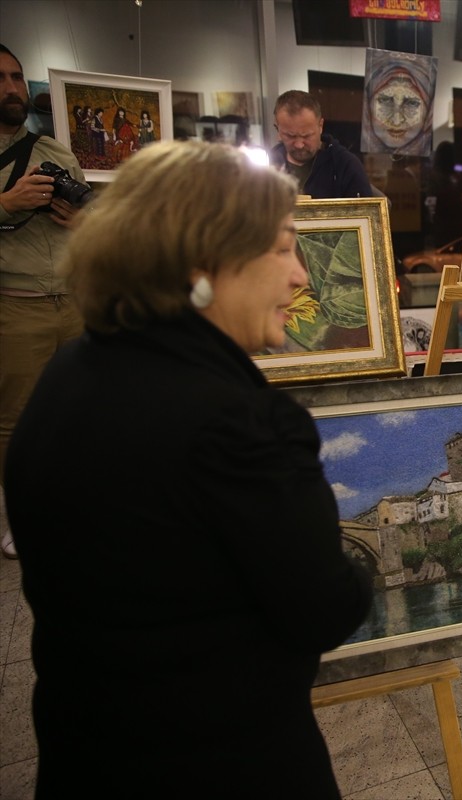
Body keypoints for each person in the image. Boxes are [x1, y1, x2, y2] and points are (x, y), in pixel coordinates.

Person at [5, 140, 373, 797]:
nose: (302, 277)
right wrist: (364, 565)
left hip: (85, 755)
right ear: (208, 260)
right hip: (220, 763)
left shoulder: (69, 373)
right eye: (284, 246)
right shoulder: (240, 425)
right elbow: (327, 610)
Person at [0, 43, 89, 559]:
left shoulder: (54, 151)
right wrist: (6, 204)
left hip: (71, 301)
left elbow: (83, 216)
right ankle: (22, 515)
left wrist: (83, 221)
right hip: (14, 304)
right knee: (15, 418)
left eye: (17, 77)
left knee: (77, 411)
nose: (13, 88)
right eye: (2, 79)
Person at [269, 89, 373, 199]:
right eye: (290, 136)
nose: (299, 145)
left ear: (320, 125)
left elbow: (367, 215)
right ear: (277, 129)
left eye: (306, 136)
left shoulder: (346, 165)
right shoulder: (265, 166)